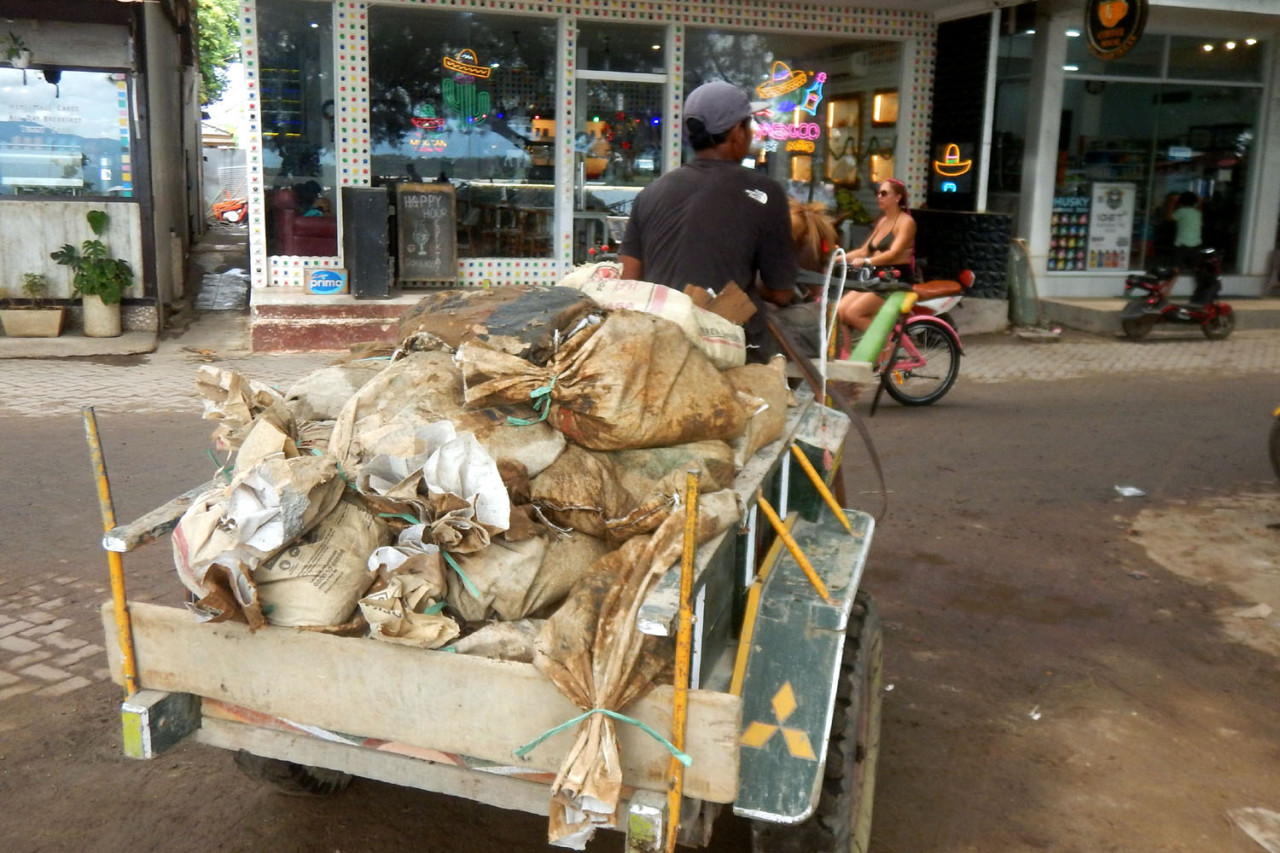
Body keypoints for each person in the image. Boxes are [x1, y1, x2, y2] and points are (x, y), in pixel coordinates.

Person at [620, 80, 797, 361]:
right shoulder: (765, 192)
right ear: (738, 132)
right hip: (729, 348)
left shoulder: (651, 192)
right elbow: (781, 293)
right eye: (748, 125)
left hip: (657, 344)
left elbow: (628, 278)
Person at [835, 178, 917, 333]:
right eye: (878, 193)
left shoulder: (906, 222)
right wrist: (837, 258)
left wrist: (867, 261)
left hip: (895, 280)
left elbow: (894, 253)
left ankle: (885, 346)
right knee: (839, 312)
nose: (879, 197)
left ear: (898, 197)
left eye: (884, 193)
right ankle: (847, 356)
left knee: (853, 313)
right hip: (876, 278)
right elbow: (864, 250)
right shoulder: (883, 221)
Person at [1167, 190, 1202, 268]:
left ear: (1181, 202)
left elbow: (1168, 218)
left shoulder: (1180, 212)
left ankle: (1173, 279)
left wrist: (1172, 202)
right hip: (1195, 245)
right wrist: (1200, 201)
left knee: (1176, 268)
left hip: (1181, 245)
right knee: (1196, 268)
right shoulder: (1197, 213)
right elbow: (1199, 209)